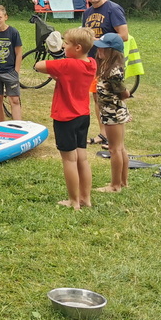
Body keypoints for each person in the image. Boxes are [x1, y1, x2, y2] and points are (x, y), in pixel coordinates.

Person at [34, 27, 97, 210]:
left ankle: (73, 201)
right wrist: (60, 72)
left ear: (77, 48)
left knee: (69, 160)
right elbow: (69, 77)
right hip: (83, 116)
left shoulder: (68, 64)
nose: (63, 45)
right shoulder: (91, 63)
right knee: (82, 159)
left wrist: (56, 54)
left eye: (67, 43)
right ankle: (85, 198)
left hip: (66, 117)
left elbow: (38, 66)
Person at [81, 0, 129, 146]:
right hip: (94, 60)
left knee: (112, 97)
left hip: (110, 61)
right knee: (97, 96)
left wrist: (98, 40)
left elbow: (123, 35)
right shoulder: (87, 13)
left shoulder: (113, 9)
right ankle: (104, 134)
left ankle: (115, 137)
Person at [92, 33, 131, 193]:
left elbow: (124, 93)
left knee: (114, 149)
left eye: (104, 48)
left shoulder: (113, 72)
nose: (99, 51)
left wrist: (122, 106)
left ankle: (115, 186)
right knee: (120, 148)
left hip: (112, 113)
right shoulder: (107, 67)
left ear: (113, 51)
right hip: (111, 111)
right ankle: (123, 182)